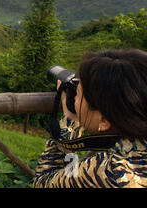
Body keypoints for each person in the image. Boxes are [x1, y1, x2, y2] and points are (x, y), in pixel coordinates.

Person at [34, 49, 147, 188]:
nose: (74, 98)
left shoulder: (111, 172)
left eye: (78, 94)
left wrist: (69, 123)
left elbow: (43, 182)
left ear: (104, 120)